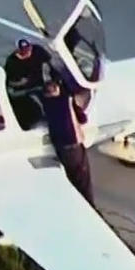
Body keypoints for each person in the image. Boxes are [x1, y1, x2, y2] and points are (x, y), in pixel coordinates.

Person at [41, 80, 95, 208]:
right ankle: (89, 210)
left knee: (71, 178)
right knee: (82, 182)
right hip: (73, 144)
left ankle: (76, 205)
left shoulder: (46, 102)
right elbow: (83, 118)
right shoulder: (65, 101)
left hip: (59, 146)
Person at [4, 38, 57, 129]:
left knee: (53, 98)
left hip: (40, 83)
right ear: (18, 50)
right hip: (26, 90)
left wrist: (52, 77)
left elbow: (49, 61)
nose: (27, 52)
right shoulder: (12, 63)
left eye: (29, 49)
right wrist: (20, 83)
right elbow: (10, 83)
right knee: (36, 104)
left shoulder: (37, 50)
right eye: (23, 51)